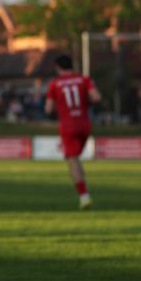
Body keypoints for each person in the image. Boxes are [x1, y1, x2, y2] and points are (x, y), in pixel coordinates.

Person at [45, 55, 101, 210]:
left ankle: (84, 196)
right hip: (84, 124)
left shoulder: (55, 84)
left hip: (68, 125)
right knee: (76, 158)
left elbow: (48, 109)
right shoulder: (84, 79)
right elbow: (96, 97)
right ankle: (84, 190)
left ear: (58, 67)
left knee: (72, 160)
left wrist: (60, 107)